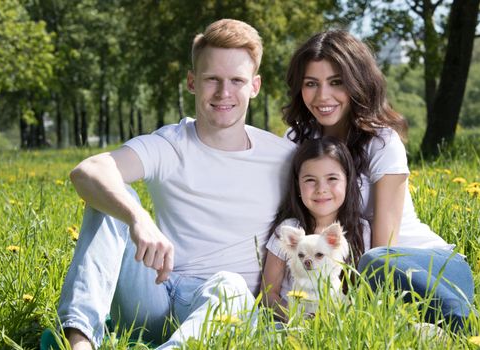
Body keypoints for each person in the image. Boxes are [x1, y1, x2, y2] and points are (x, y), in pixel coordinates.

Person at [56, 18, 295, 350]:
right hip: (152, 294)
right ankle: (80, 340)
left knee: (230, 285)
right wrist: (138, 219)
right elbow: (88, 171)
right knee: (112, 194)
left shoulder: (283, 156)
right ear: (192, 82)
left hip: (224, 308)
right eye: (212, 79)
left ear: (254, 86)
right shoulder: (169, 144)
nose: (224, 93)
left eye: (236, 80)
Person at [282, 29, 474, 329]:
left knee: (375, 261)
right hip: (356, 275)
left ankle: (462, 328)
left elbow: (385, 247)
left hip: (431, 270)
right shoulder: (297, 141)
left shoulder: (382, 142)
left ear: (357, 84)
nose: (322, 96)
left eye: (336, 82)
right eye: (311, 84)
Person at [261, 136, 370, 319]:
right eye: (310, 180)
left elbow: (363, 296)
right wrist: (297, 317)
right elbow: (267, 294)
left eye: (332, 178)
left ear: (348, 180)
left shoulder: (361, 230)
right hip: (290, 322)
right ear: (298, 185)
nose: (321, 189)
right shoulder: (289, 229)